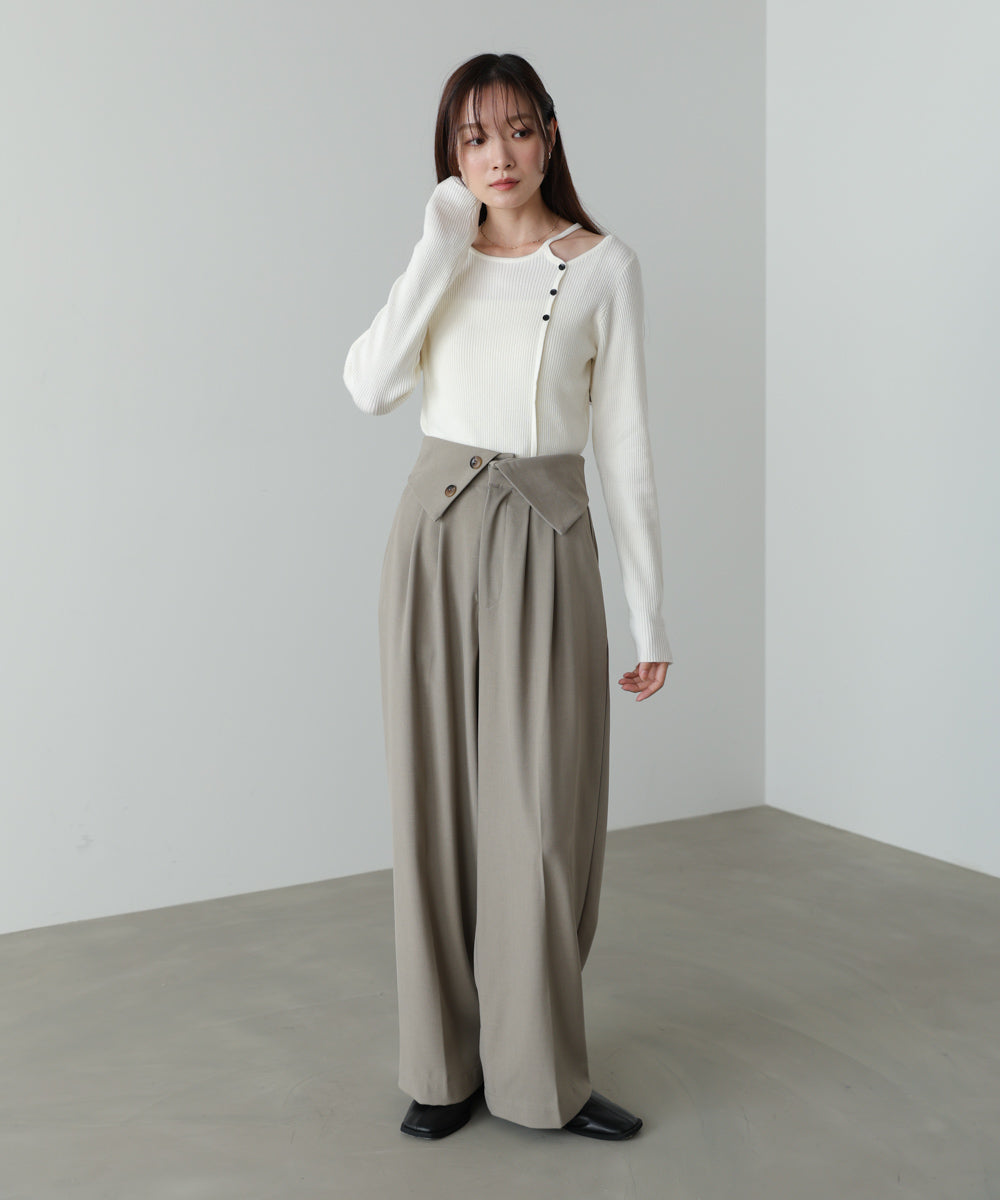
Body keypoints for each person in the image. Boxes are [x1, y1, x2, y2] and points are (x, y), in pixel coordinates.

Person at [343, 52, 673, 1142]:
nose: (499, 155)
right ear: (451, 156)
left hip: (546, 535)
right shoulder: (441, 259)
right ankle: (441, 1071)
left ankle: (540, 1080)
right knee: (432, 808)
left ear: (551, 135)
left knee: (537, 824)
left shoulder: (604, 267)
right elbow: (370, 386)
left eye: (518, 129)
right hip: (433, 538)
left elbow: (625, 447)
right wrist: (436, 243)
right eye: (474, 137)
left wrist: (649, 616)